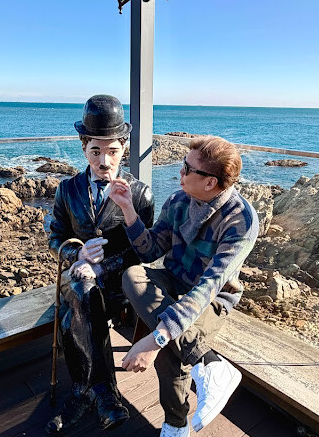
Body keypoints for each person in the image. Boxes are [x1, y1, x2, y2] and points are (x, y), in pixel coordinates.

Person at [109, 136, 259, 437]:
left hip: (213, 299)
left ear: (210, 182)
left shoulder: (241, 221)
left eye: (188, 168)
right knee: (133, 275)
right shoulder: (178, 201)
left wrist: (156, 340)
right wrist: (127, 209)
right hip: (174, 279)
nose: (180, 171)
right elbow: (151, 251)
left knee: (168, 347)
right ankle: (208, 362)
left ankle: (175, 425)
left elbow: (208, 287)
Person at [46, 95, 154, 435]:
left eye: (112, 151)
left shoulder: (140, 194)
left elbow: (143, 252)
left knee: (74, 312)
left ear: (124, 148)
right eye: (95, 152)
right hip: (78, 278)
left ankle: (82, 391)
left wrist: (103, 268)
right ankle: (106, 393)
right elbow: (55, 238)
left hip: (119, 284)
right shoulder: (67, 190)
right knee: (82, 290)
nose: (104, 161)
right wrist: (76, 256)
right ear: (83, 148)